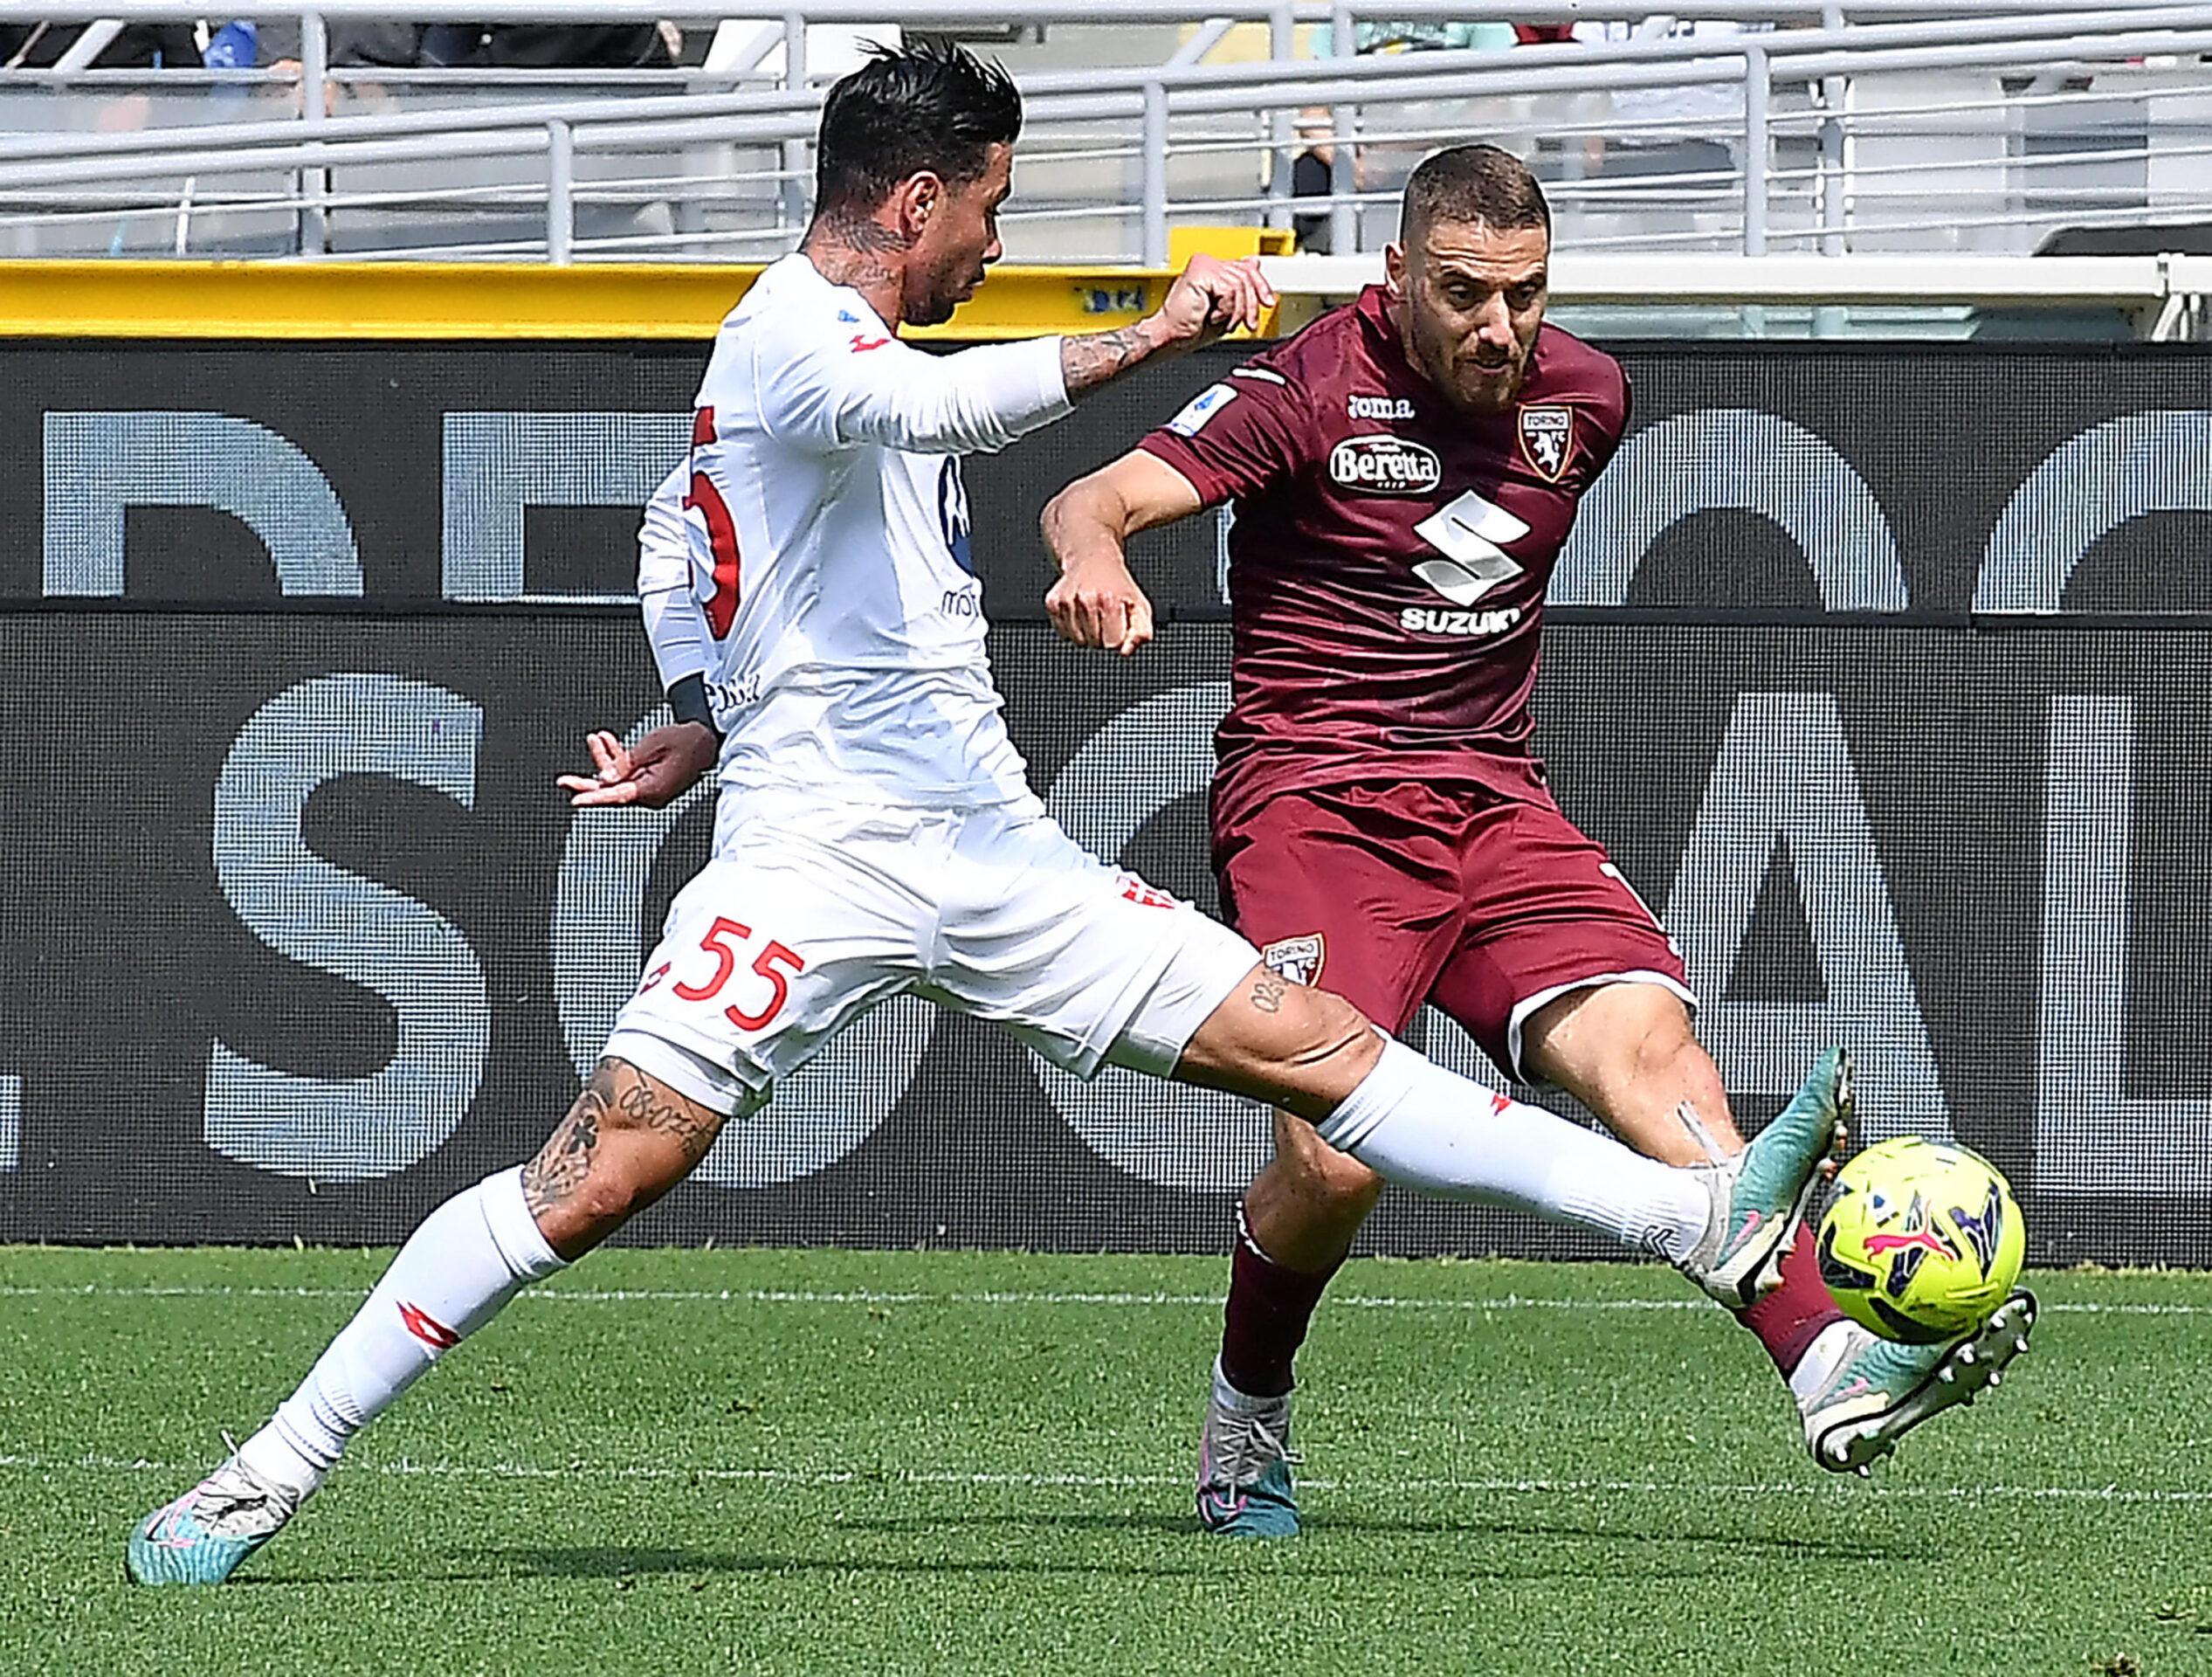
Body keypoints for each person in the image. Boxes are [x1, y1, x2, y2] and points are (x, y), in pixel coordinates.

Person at [127, 50, 1847, 1588]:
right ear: (918, 200)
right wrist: (1161, 330)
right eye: (995, 210)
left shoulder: (826, 357)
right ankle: (269, 1473)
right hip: (813, 870)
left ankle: (1702, 1219)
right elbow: (940, 414)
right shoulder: (803, 339)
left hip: (990, 855)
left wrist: (694, 710)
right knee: (593, 1178)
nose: (1000, 245)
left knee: (1324, 1064)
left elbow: (686, 534)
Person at [1039, 142, 2036, 1538]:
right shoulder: (1304, 389)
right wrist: (1094, 557)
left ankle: (1824, 1360)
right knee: (1332, 1160)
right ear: (1394, 280)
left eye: (1523, 293)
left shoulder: (1588, 396)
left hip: (1495, 802)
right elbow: (1089, 498)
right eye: (1461, 294)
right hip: (1316, 796)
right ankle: (1245, 1411)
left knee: (1652, 1057)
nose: (1498, 328)